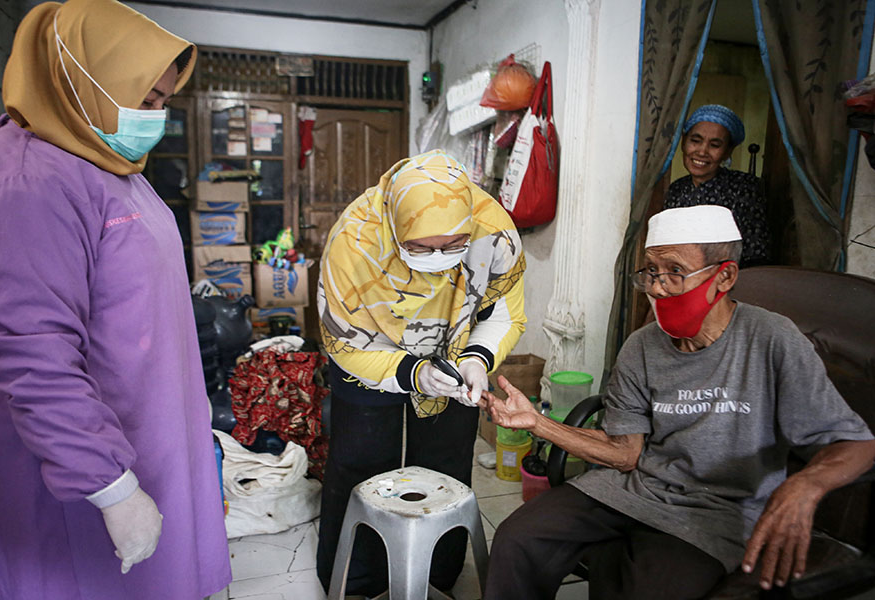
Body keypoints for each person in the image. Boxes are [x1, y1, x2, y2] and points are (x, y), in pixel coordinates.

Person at [481, 205, 875, 600]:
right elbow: (625, 453)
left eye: (674, 271)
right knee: (517, 539)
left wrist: (804, 486)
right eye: (651, 271)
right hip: (633, 488)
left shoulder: (772, 340)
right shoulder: (641, 346)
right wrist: (538, 423)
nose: (656, 288)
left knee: (649, 590)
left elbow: (858, 444)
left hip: (716, 509)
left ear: (725, 277)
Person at [0, 1, 231, 598]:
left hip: (146, 433)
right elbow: (31, 350)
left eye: (163, 101)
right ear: (83, 80)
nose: (154, 117)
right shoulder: (28, 182)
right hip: (83, 469)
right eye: (143, 98)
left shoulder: (111, 163)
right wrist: (110, 486)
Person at [316, 150, 526, 597]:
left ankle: (437, 572)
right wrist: (412, 372)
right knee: (363, 460)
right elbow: (343, 341)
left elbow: (505, 311)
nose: (439, 259)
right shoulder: (354, 241)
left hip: (452, 350)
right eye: (421, 248)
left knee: (446, 460)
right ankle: (356, 577)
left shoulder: (493, 231)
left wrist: (477, 359)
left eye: (454, 246)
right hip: (368, 350)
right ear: (395, 229)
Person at [665, 104, 772, 266]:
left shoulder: (744, 188)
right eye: (695, 141)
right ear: (683, 142)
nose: (702, 151)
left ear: (728, 152)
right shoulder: (676, 189)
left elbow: (756, 254)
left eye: (714, 145)